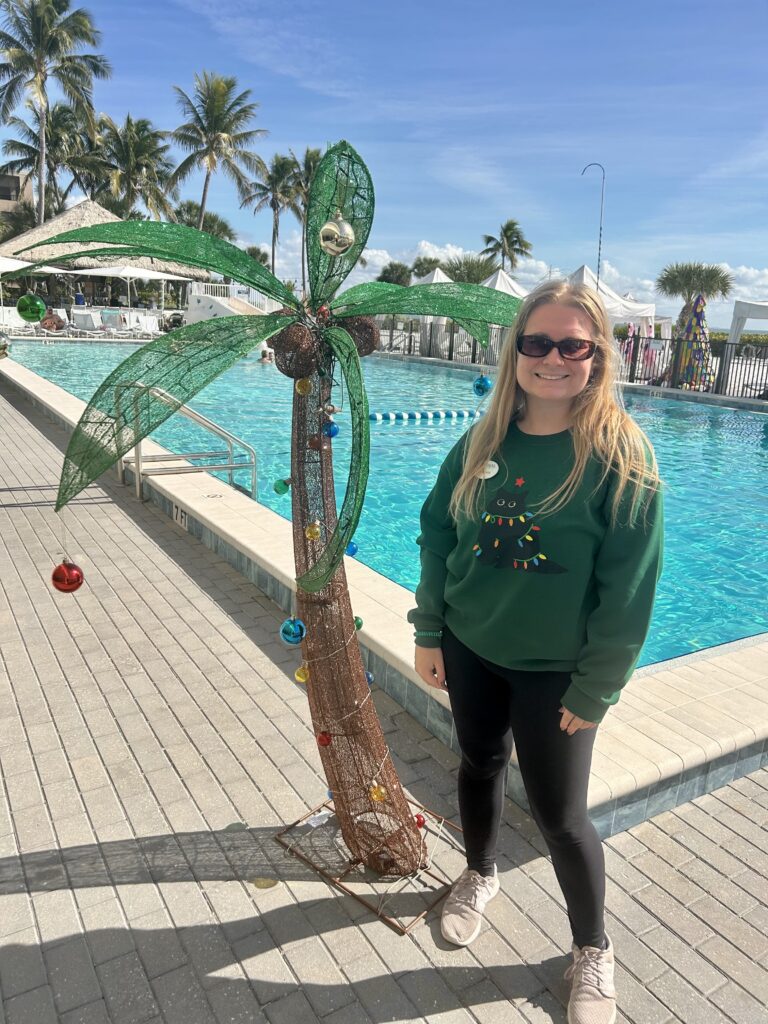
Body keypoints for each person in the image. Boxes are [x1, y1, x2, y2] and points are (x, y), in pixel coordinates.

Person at [408, 280, 663, 1024]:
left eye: (571, 345)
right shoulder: (483, 438)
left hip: (555, 673)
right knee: (477, 764)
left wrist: (596, 688)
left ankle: (592, 949)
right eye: (537, 343)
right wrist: (430, 630)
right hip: (471, 646)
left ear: (597, 357)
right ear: (516, 350)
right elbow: (437, 532)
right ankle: (479, 874)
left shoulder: (621, 456)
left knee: (561, 817)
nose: (552, 358)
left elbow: (630, 588)